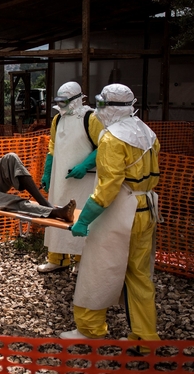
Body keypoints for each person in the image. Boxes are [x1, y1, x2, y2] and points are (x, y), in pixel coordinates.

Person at [60, 84, 161, 346]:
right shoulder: (147, 133)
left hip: (118, 212)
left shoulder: (112, 138)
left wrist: (84, 220)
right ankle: (145, 338)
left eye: (102, 104)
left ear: (111, 107)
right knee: (139, 276)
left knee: (97, 269)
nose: (98, 109)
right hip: (146, 209)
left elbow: (108, 188)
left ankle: (90, 329)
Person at [38, 81, 104, 274]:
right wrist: (47, 172)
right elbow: (53, 147)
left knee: (82, 216)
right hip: (60, 180)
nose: (61, 105)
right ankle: (57, 258)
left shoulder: (91, 118)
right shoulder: (57, 119)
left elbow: (104, 145)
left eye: (64, 101)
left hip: (84, 182)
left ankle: (82, 261)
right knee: (57, 214)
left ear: (76, 99)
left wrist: (85, 165)